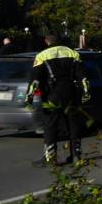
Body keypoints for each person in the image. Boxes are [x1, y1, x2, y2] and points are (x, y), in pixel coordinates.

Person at [28, 34, 90, 166]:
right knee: (73, 124)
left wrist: (29, 96)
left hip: (52, 95)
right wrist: (86, 92)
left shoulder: (42, 55)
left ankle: (50, 158)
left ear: (46, 41)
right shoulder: (73, 53)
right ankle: (76, 156)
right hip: (71, 93)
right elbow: (83, 77)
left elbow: (35, 79)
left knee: (50, 124)